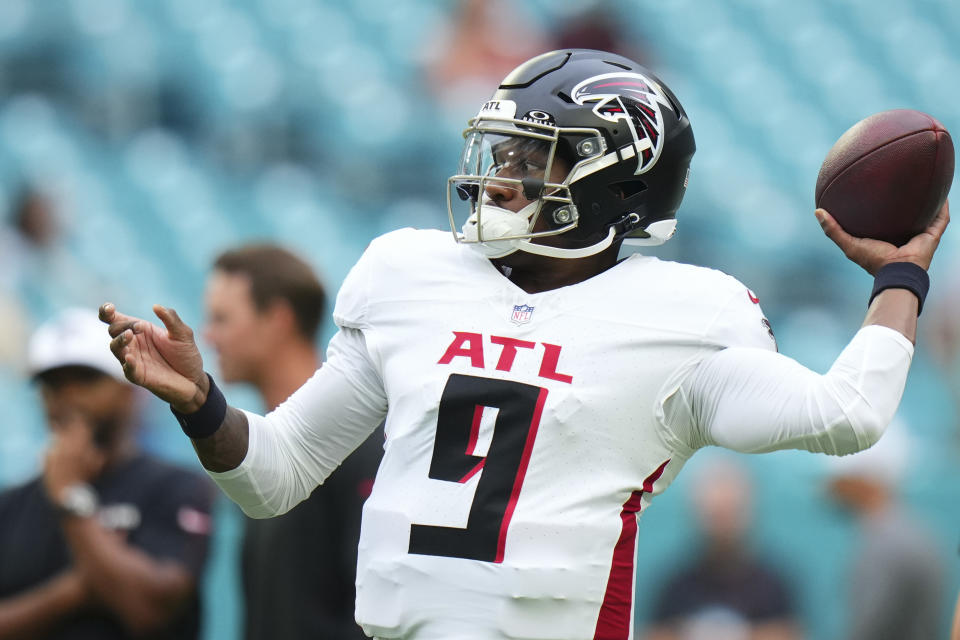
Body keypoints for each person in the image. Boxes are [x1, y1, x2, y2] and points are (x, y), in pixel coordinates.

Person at [99, 49, 949, 639]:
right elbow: (273, 477)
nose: (495, 174)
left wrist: (900, 280)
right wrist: (203, 404)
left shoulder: (684, 317)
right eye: (499, 148)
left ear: (611, 184)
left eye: (529, 157)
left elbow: (848, 415)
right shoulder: (408, 273)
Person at [0, 307, 214, 639]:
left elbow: (150, 612)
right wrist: (72, 592)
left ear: (130, 389)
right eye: (52, 384)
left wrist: (71, 498)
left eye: (86, 379)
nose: (67, 397)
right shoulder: (10, 505)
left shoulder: (178, 488)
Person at [204, 244, 381, 639]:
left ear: (278, 320)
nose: (209, 336)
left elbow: (372, 611)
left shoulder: (359, 445)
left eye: (222, 318)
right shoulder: (263, 454)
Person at [644, 457, 800, 640]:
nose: (722, 527)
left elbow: (789, 632)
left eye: (730, 513)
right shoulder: (676, 586)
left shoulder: (772, 585)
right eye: (715, 516)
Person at [825, 421, 943, 640]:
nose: (831, 486)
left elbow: (866, 629)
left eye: (841, 474)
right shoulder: (915, 534)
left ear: (864, 480)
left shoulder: (885, 545)